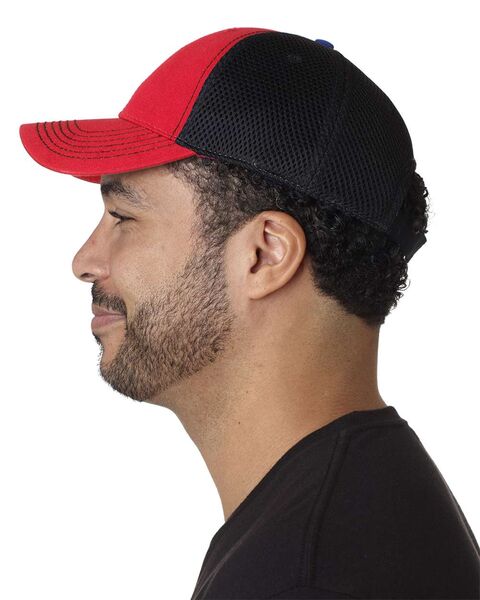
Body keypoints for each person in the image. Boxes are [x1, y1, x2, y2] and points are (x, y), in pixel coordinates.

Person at [19, 27, 479, 600]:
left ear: (265, 255)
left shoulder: (307, 576)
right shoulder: (359, 513)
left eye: (123, 217)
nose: (84, 262)